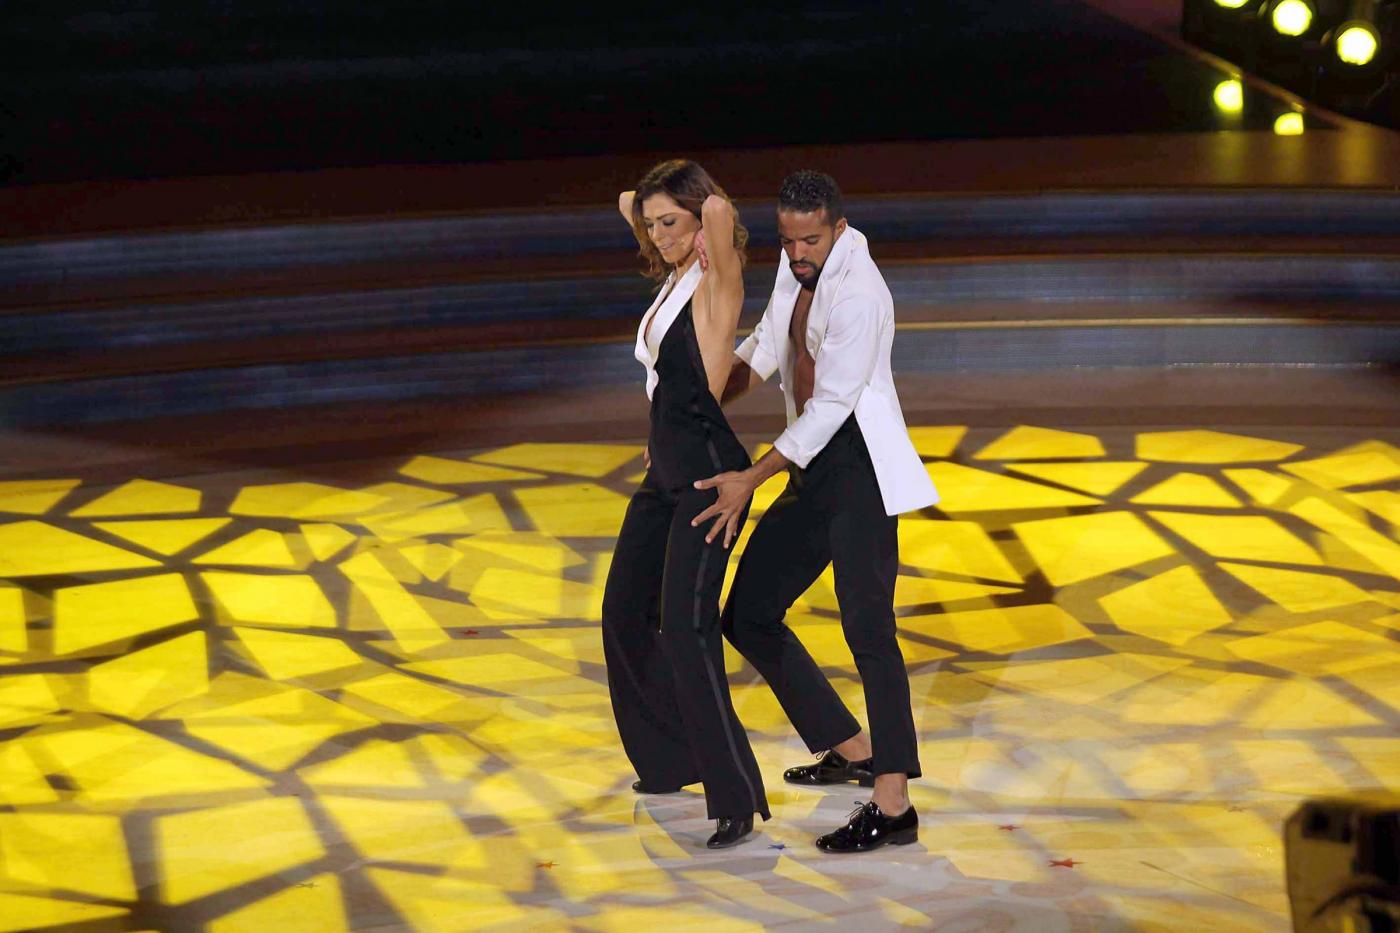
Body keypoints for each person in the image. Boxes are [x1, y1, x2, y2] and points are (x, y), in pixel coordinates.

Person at [690, 170, 938, 853]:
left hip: (858, 469)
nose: (798, 253)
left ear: (838, 228)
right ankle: (852, 747)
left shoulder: (861, 291)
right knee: (749, 614)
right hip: (812, 465)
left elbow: (831, 407)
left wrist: (751, 478)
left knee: (868, 629)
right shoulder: (796, 263)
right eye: (788, 240)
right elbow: (767, 344)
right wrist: (699, 403)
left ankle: (894, 803)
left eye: (811, 241)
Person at [600, 159, 768, 849]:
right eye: (651, 226)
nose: (658, 235)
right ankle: (670, 758)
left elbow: (720, 210)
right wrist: (659, 213)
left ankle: (736, 796)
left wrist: (704, 228)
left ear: (702, 220)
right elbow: (625, 199)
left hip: (706, 474)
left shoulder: (717, 281)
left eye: (670, 222)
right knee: (622, 611)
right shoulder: (672, 282)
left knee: (686, 628)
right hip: (663, 468)